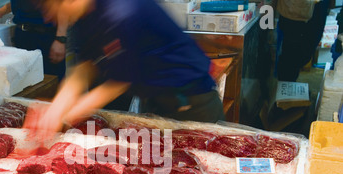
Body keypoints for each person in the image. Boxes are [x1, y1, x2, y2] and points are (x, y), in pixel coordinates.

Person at [24, 0, 224, 144]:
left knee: (192, 168)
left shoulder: (119, 13)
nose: (47, 18)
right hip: (156, 97)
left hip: (191, 101)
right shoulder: (86, 15)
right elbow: (84, 69)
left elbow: (118, 83)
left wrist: (61, 117)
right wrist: (57, 108)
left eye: (49, 8)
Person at [0, 0, 67, 80]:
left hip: (46, 36)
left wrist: (61, 38)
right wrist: (2, 10)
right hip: (22, 34)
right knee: (26, 82)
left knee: (50, 81)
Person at [276, 0, 331, 81]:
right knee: (291, 54)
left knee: (305, 52)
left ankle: (288, 84)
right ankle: (286, 85)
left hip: (316, 7)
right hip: (295, 12)